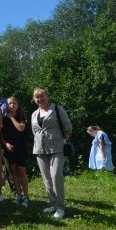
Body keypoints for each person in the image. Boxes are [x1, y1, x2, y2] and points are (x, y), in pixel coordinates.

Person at [31, 88, 72, 219]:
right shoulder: (34, 114)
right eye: (37, 97)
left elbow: (68, 127)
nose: (39, 99)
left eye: (42, 96)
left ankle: (60, 207)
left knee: (56, 176)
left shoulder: (57, 109)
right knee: (47, 179)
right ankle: (53, 203)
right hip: (40, 149)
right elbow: (34, 131)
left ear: (47, 96)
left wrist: (61, 140)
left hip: (57, 147)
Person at [3, 96, 31, 207]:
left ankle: (26, 196)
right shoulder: (4, 118)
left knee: (21, 171)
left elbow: (20, 128)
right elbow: (1, 134)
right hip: (9, 148)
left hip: (21, 148)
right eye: (10, 103)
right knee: (13, 171)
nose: (12, 105)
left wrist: (12, 118)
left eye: (14, 103)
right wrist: (5, 144)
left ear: (18, 105)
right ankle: (18, 195)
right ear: (7, 105)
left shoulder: (21, 116)